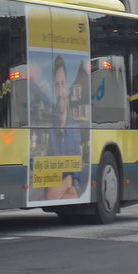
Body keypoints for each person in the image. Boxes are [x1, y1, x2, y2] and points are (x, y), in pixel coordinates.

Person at [42, 55, 86, 200]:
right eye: (56, 85)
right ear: (54, 90)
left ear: (67, 87)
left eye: (62, 84)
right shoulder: (50, 131)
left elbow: (80, 173)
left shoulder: (76, 129)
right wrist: (68, 182)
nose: (60, 92)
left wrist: (69, 181)